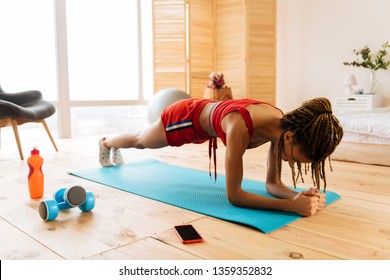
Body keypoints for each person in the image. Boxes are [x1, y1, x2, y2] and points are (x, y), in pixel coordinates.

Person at [98, 97, 343, 217]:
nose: (293, 163)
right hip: (186, 118)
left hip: (210, 121)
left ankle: (111, 143)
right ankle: (107, 141)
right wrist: (290, 207)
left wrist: (298, 196)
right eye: (298, 160)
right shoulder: (240, 127)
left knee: (141, 140)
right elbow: (234, 196)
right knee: (141, 141)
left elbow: (272, 184)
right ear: (290, 137)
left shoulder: (281, 130)